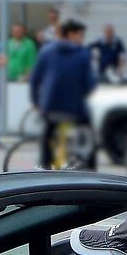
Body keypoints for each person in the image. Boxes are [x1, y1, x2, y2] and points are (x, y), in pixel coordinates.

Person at [29, 19, 94, 168]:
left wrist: (36, 102)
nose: (82, 39)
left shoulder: (46, 51)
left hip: (50, 108)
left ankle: (46, 166)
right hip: (74, 111)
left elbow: (34, 80)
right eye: (80, 35)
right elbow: (90, 85)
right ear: (71, 34)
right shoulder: (83, 54)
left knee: (48, 134)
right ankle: (90, 171)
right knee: (90, 135)